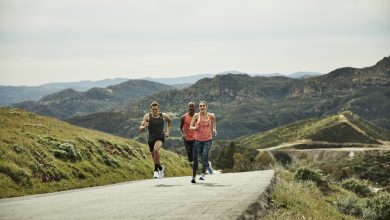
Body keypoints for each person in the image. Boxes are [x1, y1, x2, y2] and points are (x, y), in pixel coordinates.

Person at [140, 101, 172, 179]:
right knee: (155, 158)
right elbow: (140, 128)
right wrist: (144, 126)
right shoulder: (147, 117)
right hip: (151, 139)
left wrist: (168, 132)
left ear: (159, 109)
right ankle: (160, 168)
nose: (155, 111)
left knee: (156, 150)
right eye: (153, 109)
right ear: (151, 109)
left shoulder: (163, 115)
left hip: (160, 137)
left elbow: (170, 122)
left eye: (156, 109)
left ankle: (155, 171)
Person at [189, 101, 217, 183]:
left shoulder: (211, 115)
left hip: (208, 139)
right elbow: (190, 126)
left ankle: (203, 175)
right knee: (200, 158)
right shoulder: (196, 115)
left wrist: (214, 128)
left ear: (206, 106)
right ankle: (207, 165)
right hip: (198, 140)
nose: (202, 107)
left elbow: (214, 121)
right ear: (199, 107)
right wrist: (195, 128)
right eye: (200, 106)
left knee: (205, 155)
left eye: (203, 105)